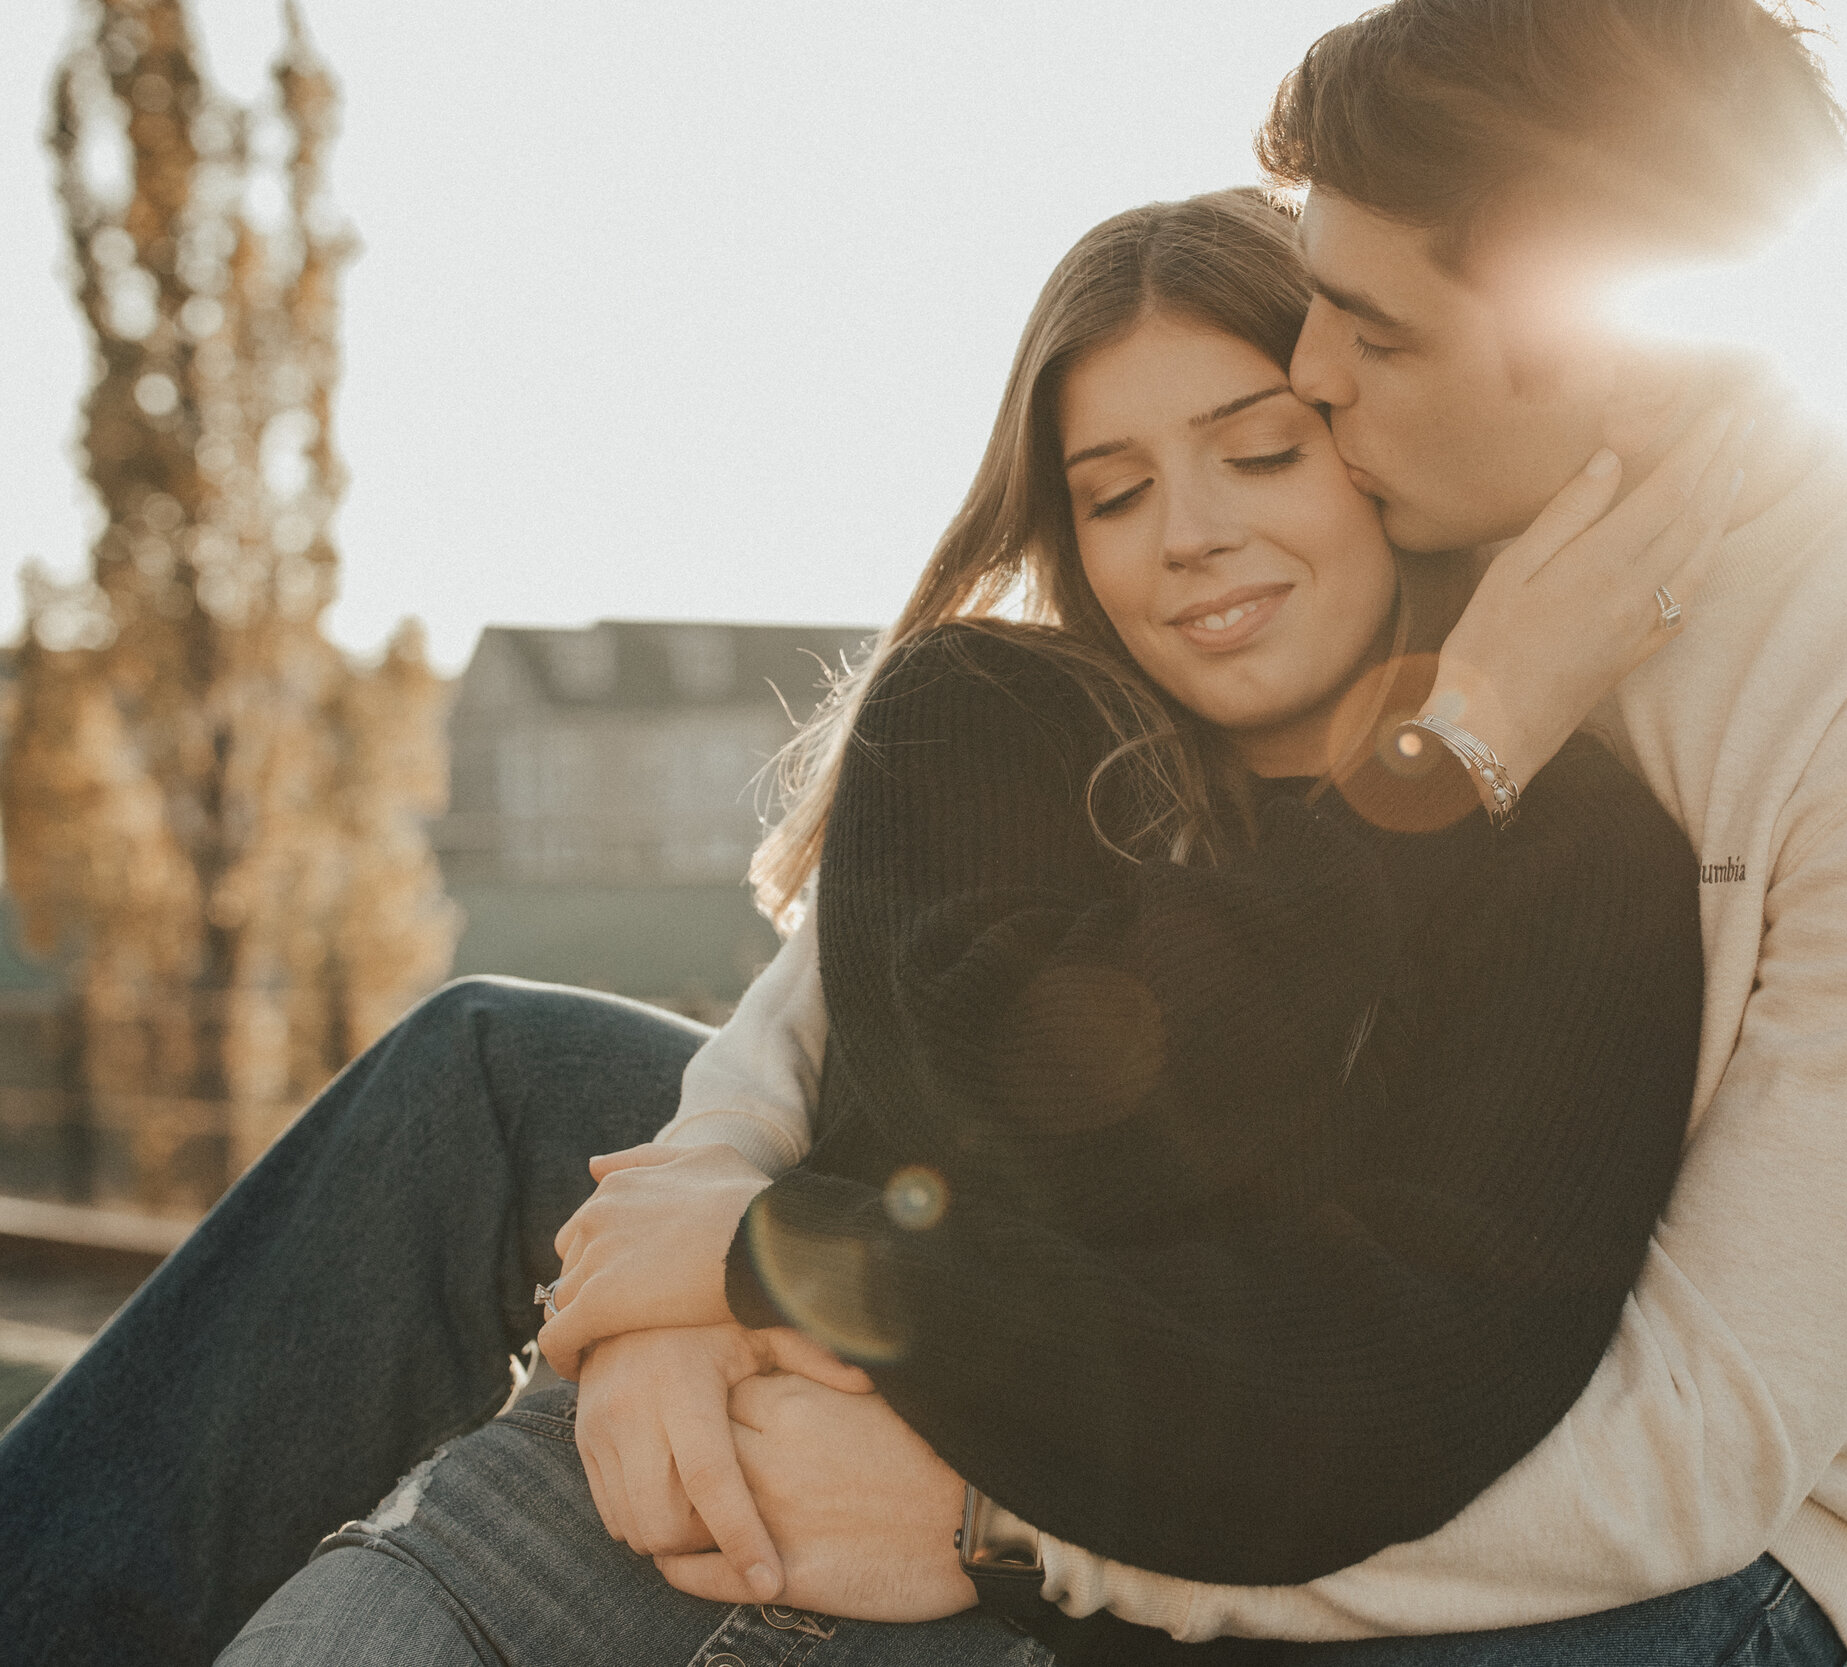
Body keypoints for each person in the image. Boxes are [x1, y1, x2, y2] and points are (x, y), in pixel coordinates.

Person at [547, 3, 1847, 1665]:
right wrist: (696, 1252)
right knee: (491, 1082)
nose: (1309, 378)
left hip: (1661, 1567)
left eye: (1372, 335)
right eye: (1316, 303)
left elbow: (1690, 1454)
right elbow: (919, 952)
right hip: (1220, 1337)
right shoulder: (1419, 486)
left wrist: (1017, 1529)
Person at [201, 184, 1731, 1665]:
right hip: (551, 1547)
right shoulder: (982, 722)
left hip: (982, 1617)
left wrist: (754, 1253)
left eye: (1260, 453)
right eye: (1114, 492)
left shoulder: (1583, 867)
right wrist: (658, 1312)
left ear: (1375, 452)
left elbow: (1363, 1394)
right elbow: (1020, 1124)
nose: (1186, 534)